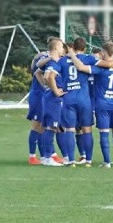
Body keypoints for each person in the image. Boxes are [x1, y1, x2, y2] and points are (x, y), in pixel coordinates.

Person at [68, 41, 113, 168]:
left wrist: (72, 55)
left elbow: (81, 68)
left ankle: (107, 162)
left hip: (102, 105)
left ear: (103, 53)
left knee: (104, 133)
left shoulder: (99, 69)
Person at [39, 37, 67, 167]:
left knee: (48, 128)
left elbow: (42, 75)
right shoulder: (54, 62)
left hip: (48, 97)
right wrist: (55, 91)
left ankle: (46, 156)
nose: (63, 49)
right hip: (53, 99)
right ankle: (47, 157)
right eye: (61, 46)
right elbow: (47, 76)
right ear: (56, 48)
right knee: (51, 128)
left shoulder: (51, 61)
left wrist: (49, 87)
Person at [26, 51, 51, 165]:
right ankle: (32, 156)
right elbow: (36, 68)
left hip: (43, 96)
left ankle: (43, 156)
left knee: (42, 127)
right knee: (36, 126)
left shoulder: (46, 57)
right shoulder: (44, 57)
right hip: (37, 96)